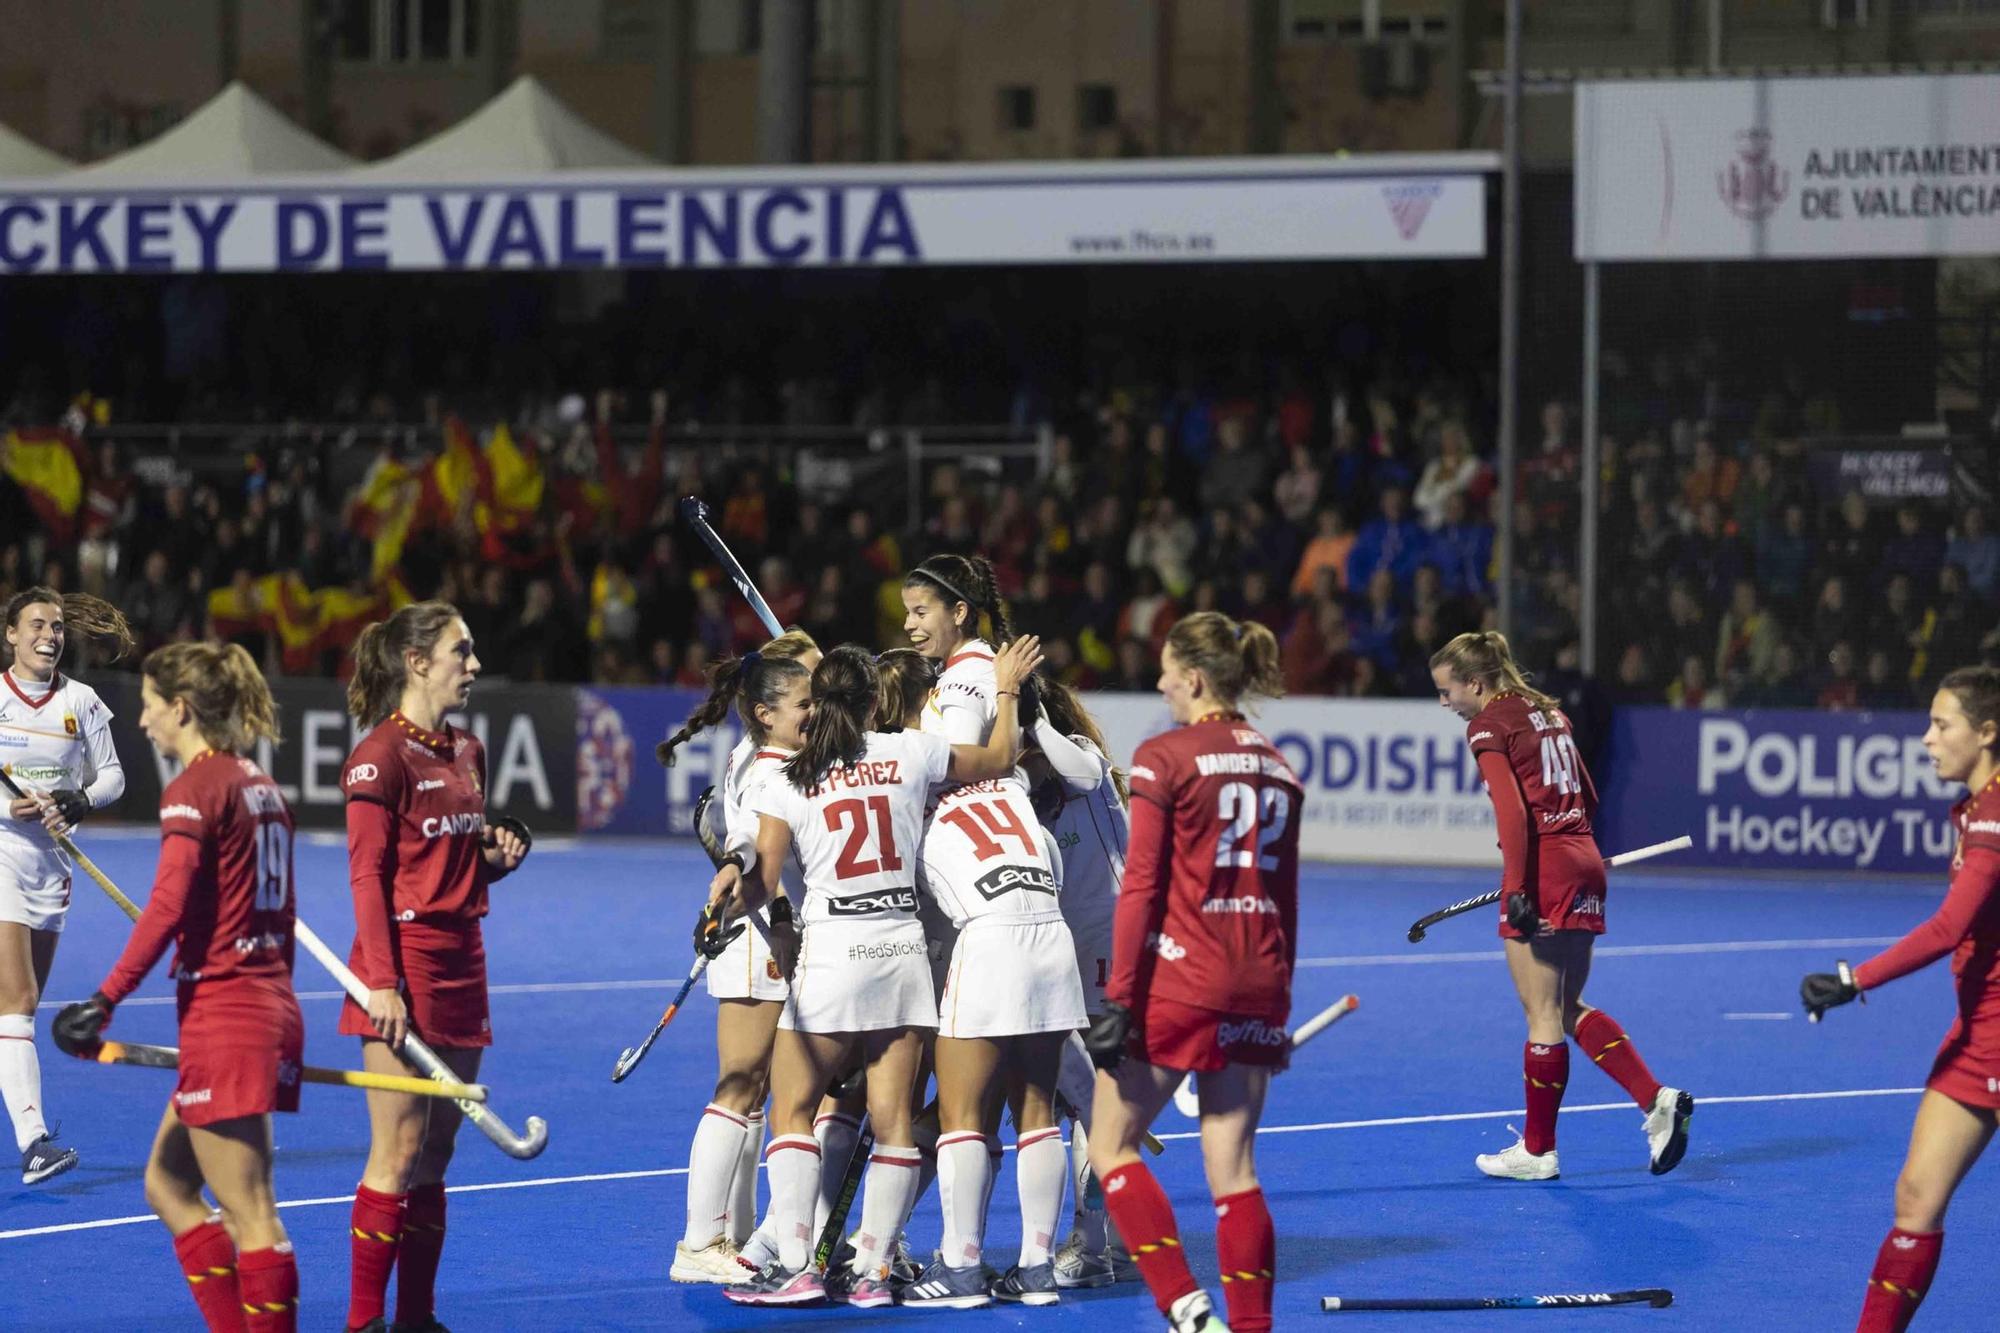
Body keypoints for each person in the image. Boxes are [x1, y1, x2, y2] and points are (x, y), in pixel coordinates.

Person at [707, 639, 1042, 1308]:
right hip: (903, 956)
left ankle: (799, 1262)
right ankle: (875, 1271)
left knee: (794, 1110)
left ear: (817, 704)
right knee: (892, 1122)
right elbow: (1002, 756)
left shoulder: (786, 777)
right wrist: (1004, 691)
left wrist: (724, 897)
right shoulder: (910, 753)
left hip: (833, 957)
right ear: (871, 702)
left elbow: (765, 882)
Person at [52, 642, 302, 1332]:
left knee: (252, 1211)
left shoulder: (194, 787)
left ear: (182, 708)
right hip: (257, 1003)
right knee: (167, 1185)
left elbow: (165, 904)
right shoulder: (258, 783)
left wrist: (104, 998)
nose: (142, 722)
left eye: (150, 706)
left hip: (229, 1012)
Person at [1081, 612, 1300, 1333]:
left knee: (1111, 1144)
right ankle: (1251, 1327)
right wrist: (1276, 1005)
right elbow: (1283, 898)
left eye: (1169, 670)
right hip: (1257, 981)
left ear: (1197, 678)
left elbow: (1141, 885)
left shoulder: (1165, 755)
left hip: (1182, 981)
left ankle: (1184, 1306)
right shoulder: (1277, 764)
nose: (1159, 682)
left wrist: (1119, 999)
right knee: (1235, 1171)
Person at [1429, 630, 1692, 1183]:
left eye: (1447, 690)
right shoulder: (1549, 713)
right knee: (1568, 1005)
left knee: (1543, 1013)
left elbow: (1514, 816)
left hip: (1544, 869)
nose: (1445, 702)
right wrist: (1574, 848)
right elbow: (1588, 795)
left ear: (1475, 684)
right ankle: (1654, 1099)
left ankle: (1539, 1149)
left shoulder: (1488, 725)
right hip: (1582, 857)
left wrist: (1520, 885)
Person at [338, 602, 533, 1333]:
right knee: (399, 1147)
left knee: (440, 1150)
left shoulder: (467, 750)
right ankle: (362, 1323)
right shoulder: (376, 756)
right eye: (462, 651)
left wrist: (495, 864)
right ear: (417, 661)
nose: (474, 665)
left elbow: (455, 869)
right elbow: (368, 878)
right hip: (402, 968)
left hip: (462, 961)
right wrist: (381, 981)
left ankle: (416, 1319)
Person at [901, 554, 1084, 1308]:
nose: (910, 625)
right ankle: (1038, 1268)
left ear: (961, 613)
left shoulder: (964, 684)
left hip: (988, 940)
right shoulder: (1013, 794)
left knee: (962, 1113)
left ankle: (961, 1266)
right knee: (1036, 1108)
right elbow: (995, 762)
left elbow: (964, 754)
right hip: (1048, 927)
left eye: (920, 612)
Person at [1800, 666, 2000, 1332]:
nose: (1926, 739)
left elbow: (1949, 927)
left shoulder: (1995, 817)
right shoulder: (1977, 805)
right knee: (1916, 1196)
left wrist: (1855, 978)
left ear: (1989, 732)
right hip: (1979, 1034)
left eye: (1943, 725)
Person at [656, 630, 818, 1283]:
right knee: (743, 1082)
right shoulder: (768, 766)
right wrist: (746, 880)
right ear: (766, 706)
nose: (819, 704)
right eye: (808, 693)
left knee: (761, 1093)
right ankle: (700, 1241)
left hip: (769, 933)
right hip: (760, 934)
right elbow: (752, 847)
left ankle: (742, 1235)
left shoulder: (772, 755)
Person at [0, 588, 133, 1184]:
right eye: (36, 624)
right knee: (18, 1002)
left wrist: (75, 800)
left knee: (15, 1015)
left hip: (52, 865)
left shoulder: (81, 702)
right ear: (11, 634)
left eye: (56, 626)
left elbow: (113, 777)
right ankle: (33, 1143)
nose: (49, 635)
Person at [1021, 677, 1140, 1291]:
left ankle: (1093, 1244)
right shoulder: (1025, 786)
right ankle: (1110, 1232)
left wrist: (1036, 721)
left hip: (1112, 949)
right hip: (1065, 950)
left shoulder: (1082, 764)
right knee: (1085, 1098)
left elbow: (1085, 773)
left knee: (1096, 1100)